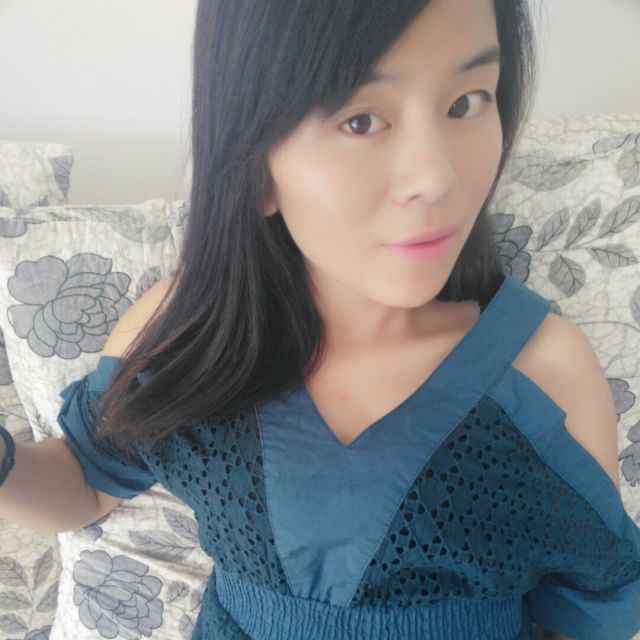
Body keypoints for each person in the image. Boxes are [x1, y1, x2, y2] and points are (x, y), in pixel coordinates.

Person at [1, 0, 639, 638]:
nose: (438, 176)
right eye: (361, 120)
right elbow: (86, 478)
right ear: (254, 162)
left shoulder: (543, 375)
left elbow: (593, 613)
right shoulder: (186, 329)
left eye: (466, 102)